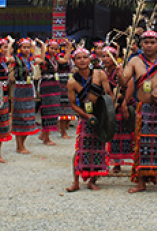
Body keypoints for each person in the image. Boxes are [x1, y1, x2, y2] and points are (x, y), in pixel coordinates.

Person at [120, 30, 157, 195]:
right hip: (143, 108)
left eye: (152, 42)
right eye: (146, 42)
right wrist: (119, 75)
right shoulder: (134, 61)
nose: (149, 45)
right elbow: (124, 81)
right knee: (141, 145)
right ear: (141, 44)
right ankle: (141, 182)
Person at [66, 47, 113, 192]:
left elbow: (109, 94)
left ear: (90, 59)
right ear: (74, 61)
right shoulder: (72, 81)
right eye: (78, 58)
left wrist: (108, 113)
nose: (82, 60)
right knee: (81, 150)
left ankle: (93, 180)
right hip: (85, 118)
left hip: (100, 115)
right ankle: (75, 182)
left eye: (84, 57)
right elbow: (73, 104)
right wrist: (87, 116)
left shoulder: (100, 74)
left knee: (98, 149)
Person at [103, 44, 135, 173]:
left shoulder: (121, 70)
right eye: (103, 56)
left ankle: (134, 162)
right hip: (111, 107)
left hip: (123, 105)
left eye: (108, 56)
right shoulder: (102, 73)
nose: (105, 59)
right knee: (114, 135)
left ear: (115, 58)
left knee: (129, 134)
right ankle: (116, 163)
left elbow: (130, 84)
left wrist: (124, 103)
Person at [11, 38, 41, 154]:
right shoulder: (16, 59)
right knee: (20, 117)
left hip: (29, 89)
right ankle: (19, 146)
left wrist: (41, 45)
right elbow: (7, 57)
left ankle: (22, 144)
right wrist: (10, 44)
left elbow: (42, 58)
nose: (27, 49)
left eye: (28, 47)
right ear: (19, 48)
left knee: (28, 118)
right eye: (24, 47)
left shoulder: (31, 59)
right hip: (20, 89)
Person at [39, 39, 67, 146]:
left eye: (56, 49)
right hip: (46, 86)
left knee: (54, 110)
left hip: (55, 85)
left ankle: (44, 134)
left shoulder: (55, 59)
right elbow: (41, 62)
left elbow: (65, 60)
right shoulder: (44, 59)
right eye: (52, 48)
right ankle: (46, 138)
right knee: (47, 111)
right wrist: (42, 47)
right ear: (47, 49)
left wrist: (68, 47)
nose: (54, 50)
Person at [57, 40, 75, 139]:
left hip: (68, 82)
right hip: (60, 83)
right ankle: (63, 131)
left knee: (69, 108)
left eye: (67, 47)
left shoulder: (70, 58)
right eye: (64, 47)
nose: (66, 48)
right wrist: (69, 49)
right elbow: (64, 60)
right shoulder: (58, 57)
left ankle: (64, 129)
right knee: (62, 109)